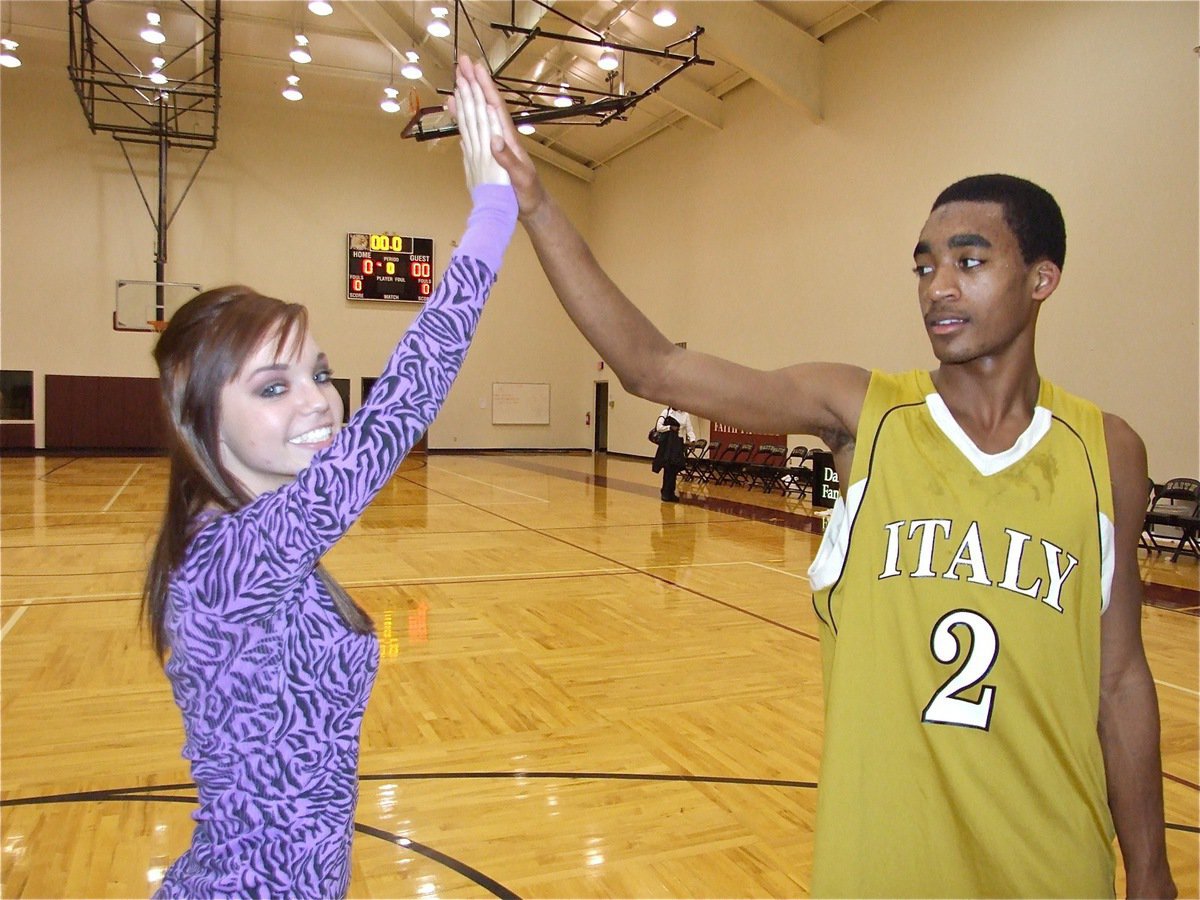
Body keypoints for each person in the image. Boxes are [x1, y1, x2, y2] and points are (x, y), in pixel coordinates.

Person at [454, 57, 1177, 899]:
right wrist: (537, 206)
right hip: (882, 865)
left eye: (970, 261)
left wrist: (1153, 871)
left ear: (1042, 279)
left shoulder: (1108, 452)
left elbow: (1120, 679)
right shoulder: (863, 412)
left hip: (1053, 866)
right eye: (923, 264)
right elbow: (653, 367)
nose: (937, 286)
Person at [141, 70, 515, 899]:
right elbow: (399, 406)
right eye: (273, 387)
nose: (318, 400)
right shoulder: (227, 559)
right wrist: (494, 214)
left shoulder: (256, 545)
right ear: (203, 419)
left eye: (316, 372)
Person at [653, 405, 696, 501]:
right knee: (668, 467)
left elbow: (689, 430)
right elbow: (659, 427)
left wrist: (693, 440)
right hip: (669, 444)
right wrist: (670, 427)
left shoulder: (686, 415)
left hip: (678, 444)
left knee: (675, 468)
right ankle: (665, 492)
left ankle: (671, 492)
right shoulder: (666, 412)